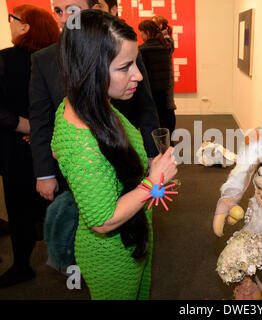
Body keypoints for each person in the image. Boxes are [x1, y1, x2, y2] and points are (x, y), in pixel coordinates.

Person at [52, 9, 177, 299]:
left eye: (135, 63)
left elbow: (57, 151)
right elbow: (102, 219)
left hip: (131, 239)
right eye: (125, 67)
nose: (138, 76)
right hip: (112, 256)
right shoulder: (83, 140)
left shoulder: (82, 105)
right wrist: (153, 182)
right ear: (90, 68)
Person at [29, 0, 160, 202]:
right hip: (80, 174)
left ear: (95, 11)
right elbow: (41, 121)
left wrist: (152, 154)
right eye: (58, 11)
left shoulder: (124, 48)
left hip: (128, 162)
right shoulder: (43, 60)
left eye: (73, 10)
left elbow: (145, 105)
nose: (64, 18)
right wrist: (45, 172)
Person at [0, 4, 59, 288]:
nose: (8, 23)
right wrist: (41, 130)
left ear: (25, 27)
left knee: (19, 206)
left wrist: (27, 127)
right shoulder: (56, 61)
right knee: (59, 203)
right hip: (55, 146)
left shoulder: (4, 60)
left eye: (12, 19)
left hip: (16, 146)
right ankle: (67, 261)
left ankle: (22, 265)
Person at [138, 20, 176, 140]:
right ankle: (168, 143)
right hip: (164, 90)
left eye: (142, 32)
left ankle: (158, 146)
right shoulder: (166, 46)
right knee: (166, 117)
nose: (140, 35)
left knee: (153, 121)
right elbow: (169, 40)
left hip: (150, 91)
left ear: (148, 32)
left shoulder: (142, 50)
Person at [152, 15, 177, 111]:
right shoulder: (162, 40)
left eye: (154, 24)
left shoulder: (167, 40)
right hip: (160, 77)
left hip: (165, 77)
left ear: (161, 25)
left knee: (167, 105)